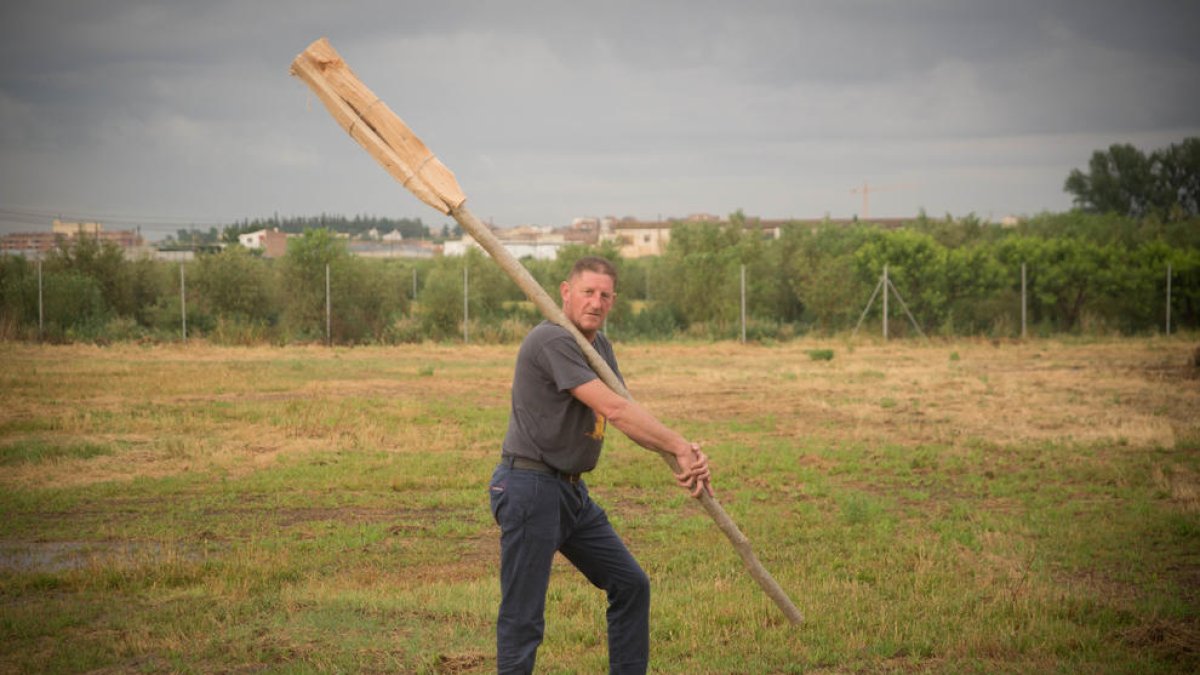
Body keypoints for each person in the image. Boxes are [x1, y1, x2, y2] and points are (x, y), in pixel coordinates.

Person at [488, 255, 713, 674]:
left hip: (571, 493)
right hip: (529, 487)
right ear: (565, 292)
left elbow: (630, 413)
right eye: (588, 292)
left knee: (630, 584)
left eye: (605, 295)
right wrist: (678, 444)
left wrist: (685, 452)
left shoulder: (600, 347)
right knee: (524, 616)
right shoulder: (552, 340)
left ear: (613, 301)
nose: (596, 302)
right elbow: (614, 409)